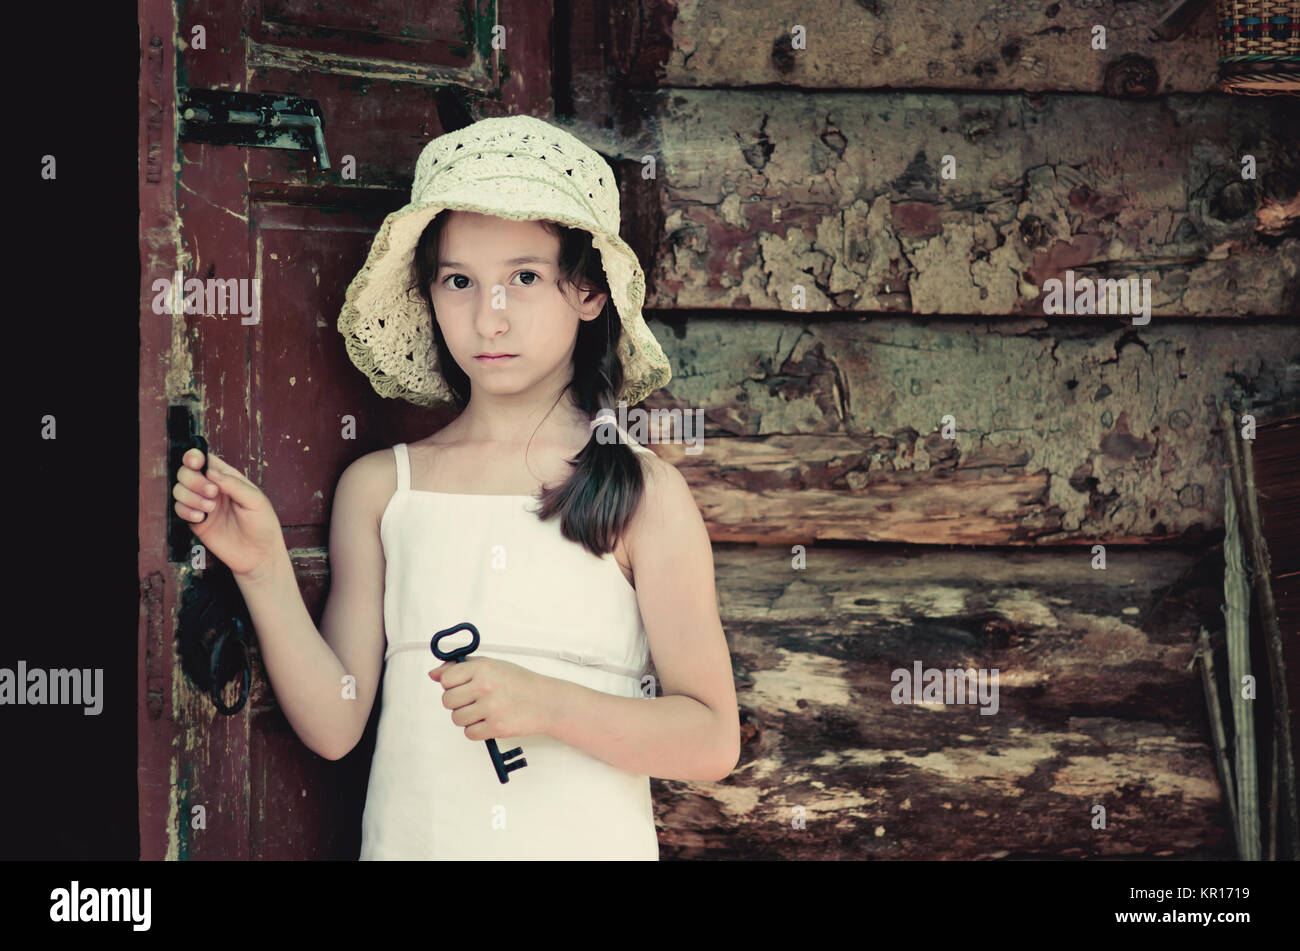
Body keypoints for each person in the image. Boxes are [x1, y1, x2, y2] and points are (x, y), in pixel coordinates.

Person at [171, 114, 739, 860]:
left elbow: (710, 738)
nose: (487, 315)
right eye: (460, 281)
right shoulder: (383, 490)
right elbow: (338, 725)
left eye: (524, 278)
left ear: (590, 292)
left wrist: (546, 703)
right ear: (430, 295)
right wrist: (263, 568)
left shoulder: (639, 494)